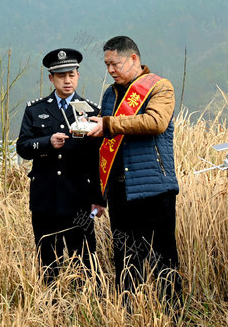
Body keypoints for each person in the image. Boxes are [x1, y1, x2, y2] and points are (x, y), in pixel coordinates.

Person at [86, 36, 181, 302]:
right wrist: (100, 195)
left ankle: (172, 314)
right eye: (106, 65)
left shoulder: (160, 87)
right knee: (125, 258)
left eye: (114, 63)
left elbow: (155, 122)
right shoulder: (110, 94)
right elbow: (106, 144)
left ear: (134, 59)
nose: (110, 70)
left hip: (154, 187)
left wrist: (110, 124)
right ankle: (129, 312)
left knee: (163, 258)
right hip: (119, 190)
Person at [16, 47, 105, 281]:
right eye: (61, 76)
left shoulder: (92, 111)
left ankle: (85, 311)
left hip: (79, 199)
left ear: (78, 75)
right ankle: (51, 310)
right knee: (48, 263)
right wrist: (47, 142)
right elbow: (23, 147)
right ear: (51, 78)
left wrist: (99, 200)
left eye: (72, 75)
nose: (67, 81)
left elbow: (97, 159)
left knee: (85, 262)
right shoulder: (36, 110)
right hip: (46, 198)